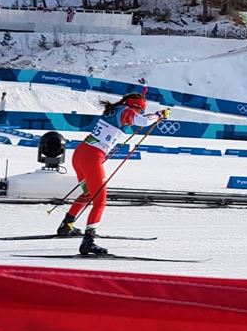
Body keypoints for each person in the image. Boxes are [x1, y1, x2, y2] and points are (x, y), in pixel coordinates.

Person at [57, 88, 170, 256]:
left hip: (81, 154)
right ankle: (88, 242)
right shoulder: (125, 111)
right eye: (141, 110)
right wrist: (159, 115)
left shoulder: (117, 110)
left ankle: (67, 225)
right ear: (135, 106)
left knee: (88, 194)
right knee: (100, 201)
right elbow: (143, 121)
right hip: (92, 157)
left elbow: (138, 120)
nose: (140, 113)